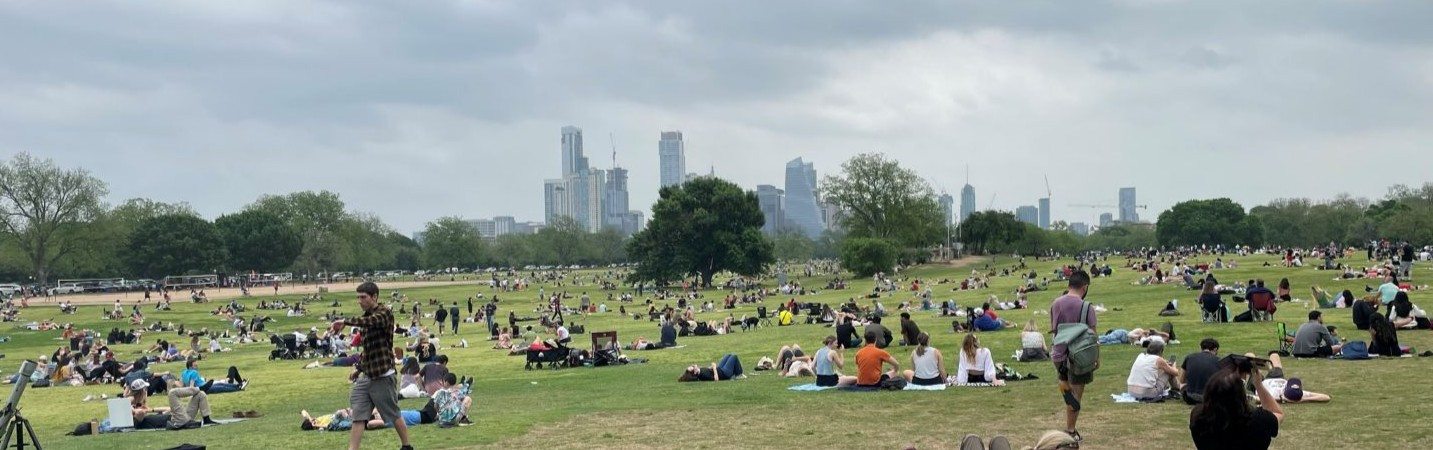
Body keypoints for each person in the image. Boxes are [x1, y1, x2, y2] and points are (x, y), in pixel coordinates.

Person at [328, 282, 412, 450]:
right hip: (367, 376)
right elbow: (368, 350)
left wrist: (345, 321)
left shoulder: (384, 313)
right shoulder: (365, 318)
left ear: (374, 297)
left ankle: (407, 446)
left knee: (393, 413)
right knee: (358, 414)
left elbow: (371, 321)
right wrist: (358, 369)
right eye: (358, 297)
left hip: (383, 375)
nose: (360, 301)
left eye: (363, 297)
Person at [1189, 359, 1282, 449]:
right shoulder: (1259, 420)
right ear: (1241, 395)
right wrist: (1258, 385)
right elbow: (1277, 413)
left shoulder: (1198, 418)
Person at [1050, 270, 1096, 445]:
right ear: (1084, 287)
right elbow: (1093, 334)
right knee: (1076, 395)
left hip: (1059, 354)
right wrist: (1096, 358)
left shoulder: (1056, 303)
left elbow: (1054, 328)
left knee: (1068, 385)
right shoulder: (1086, 307)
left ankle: (1063, 382)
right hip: (1080, 355)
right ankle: (1070, 430)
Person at [1179, 338, 1221, 404]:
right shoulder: (1220, 361)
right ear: (1215, 349)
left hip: (1190, 397)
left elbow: (1181, 380)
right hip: (1211, 398)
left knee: (1182, 385)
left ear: (1201, 348)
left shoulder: (1189, 357)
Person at [181, 358, 245, 394]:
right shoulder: (194, 372)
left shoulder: (184, 372)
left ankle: (239, 385)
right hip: (204, 388)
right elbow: (191, 386)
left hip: (206, 385)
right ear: (190, 366)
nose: (197, 367)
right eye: (195, 366)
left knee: (221, 384)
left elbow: (183, 384)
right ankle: (239, 388)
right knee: (222, 388)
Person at [677, 354, 744, 381]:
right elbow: (716, 379)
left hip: (720, 369)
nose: (694, 365)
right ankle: (739, 374)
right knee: (734, 357)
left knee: (729, 355)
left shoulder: (700, 371)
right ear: (694, 372)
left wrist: (711, 367)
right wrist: (714, 367)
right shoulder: (703, 375)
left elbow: (709, 371)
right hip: (724, 374)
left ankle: (735, 372)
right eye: (693, 367)